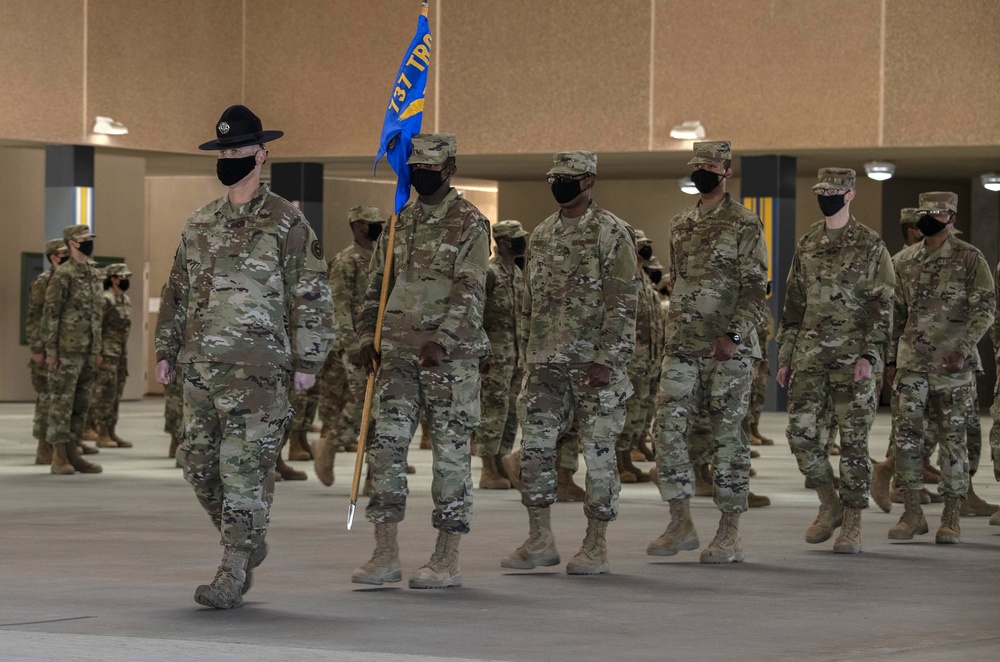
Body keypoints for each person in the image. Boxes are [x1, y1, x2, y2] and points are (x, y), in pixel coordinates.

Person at [154, 104, 334, 609]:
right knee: (196, 463)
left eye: (238, 151)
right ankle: (248, 537)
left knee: (243, 470)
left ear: (262, 155)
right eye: (224, 151)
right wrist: (166, 349)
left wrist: (308, 361)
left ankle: (233, 566)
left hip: (259, 372)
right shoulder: (199, 222)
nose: (230, 158)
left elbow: (312, 294)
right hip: (200, 370)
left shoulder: (286, 222)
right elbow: (177, 291)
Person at [351, 133, 490, 590]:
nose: (420, 173)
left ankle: (446, 556)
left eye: (430, 166)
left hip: (448, 363)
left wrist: (444, 340)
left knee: (450, 458)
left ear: (449, 168)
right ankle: (385, 551)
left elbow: (470, 291)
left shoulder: (470, 222)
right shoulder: (399, 222)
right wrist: (364, 336)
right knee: (386, 450)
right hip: (394, 359)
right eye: (415, 166)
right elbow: (375, 288)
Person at [501, 150, 637, 576]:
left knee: (598, 454)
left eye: (569, 177)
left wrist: (608, 359)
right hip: (545, 364)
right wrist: (529, 358)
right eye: (554, 177)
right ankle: (539, 536)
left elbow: (623, 303)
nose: (560, 183)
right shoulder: (541, 234)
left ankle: (595, 544)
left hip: (594, 365)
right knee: (535, 452)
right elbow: (529, 302)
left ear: (589, 180)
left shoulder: (611, 233)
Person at [647, 141, 767, 564]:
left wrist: (734, 335)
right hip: (682, 346)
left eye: (710, 166)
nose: (702, 172)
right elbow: (679, 283)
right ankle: (680, 521)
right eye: (697, 166)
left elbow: (756, 288)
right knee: (665, 431)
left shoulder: (745, 222)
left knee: (727, 438)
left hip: (728, 350)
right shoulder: (681, 223)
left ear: (727, 171)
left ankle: (729, 530)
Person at [775, 168, 894, 553]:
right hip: (809, 357)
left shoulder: (870, 244)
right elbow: (793, 305)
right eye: (820, 190)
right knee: (802, 436)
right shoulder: (808, 242)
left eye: (833, 191)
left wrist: (870, 355)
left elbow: (883, 306)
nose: (825, 196)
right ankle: (830, 502)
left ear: (850, 195)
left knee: (854, 444)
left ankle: (853, 522)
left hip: (852, 360)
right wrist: (786, 355)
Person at [887, 191, 994, 544]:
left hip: (953, 367)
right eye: (924, 211)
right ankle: (912, 512)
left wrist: (963, 349)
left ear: (951, 217)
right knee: (907, 441)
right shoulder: (903, 261)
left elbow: (985, 311)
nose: (929, 217)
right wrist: (891, 360)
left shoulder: (970, 258)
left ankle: (951, 516)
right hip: (912, 365)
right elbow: (895, 315)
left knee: (953, 443)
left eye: (937, 212)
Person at [314, 205, 386, 486]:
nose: (378, 227)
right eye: (373, 223)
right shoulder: (346, 261)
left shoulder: (381, 259)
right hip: (357, 345)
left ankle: (373, 474)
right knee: (363, 402)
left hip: (382, 343)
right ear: (358, 226)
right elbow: (338, 305)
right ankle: (331, 442)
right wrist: (351, 344)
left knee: (382, 409)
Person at [42, 224, 104, 475]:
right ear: (71, 243)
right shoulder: (63, 275)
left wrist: (97, 348)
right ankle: (58, 456)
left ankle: (73, 453)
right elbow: (51, 314)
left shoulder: (93, 272)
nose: (89, 242)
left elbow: (97, 315)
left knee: (81, 403)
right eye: (84, 239)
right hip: (67, 349)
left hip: (88, 349)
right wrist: (51, 350)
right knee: (62, 402)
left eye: (90, 238)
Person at [474, 219, 528, 490]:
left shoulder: (516, 273)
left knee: (510, 412)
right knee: (492, 411)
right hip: (494, 356)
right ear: (504, 242)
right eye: (517, 238)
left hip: (516, 356)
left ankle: (503, 461)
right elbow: (476, 316)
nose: (523, 242)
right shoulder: (490, 273)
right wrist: (481, 354)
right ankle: (487, 468)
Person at [616, 229, 655, 484]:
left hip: (645, 357)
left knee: (639, 411)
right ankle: (619, 463)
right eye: (641, 244)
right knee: (625, 411)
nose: (646, 248)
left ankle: (628, 457)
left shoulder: (643, 276)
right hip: (629, 357)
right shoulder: (625, 275)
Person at [26, 238, 69, 465]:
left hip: (64, 349)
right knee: (46, 400)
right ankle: (43, 447)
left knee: (62, 400)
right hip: (45, 349)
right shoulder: (43, 282)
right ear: (53, 257)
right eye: (63, 254)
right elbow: (34, 317)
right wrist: (37, 348)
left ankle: (63, 446)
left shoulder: (68, 279)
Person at [89, 263, 134, 449]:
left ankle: (112, 431)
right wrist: (97, 351)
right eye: (122, 277)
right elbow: (96, 326)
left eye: (126, 277)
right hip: (106, 352)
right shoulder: (105, 299)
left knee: (116, 393)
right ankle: (102, 433)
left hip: (120, 353)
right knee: (104, 393)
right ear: (113, 279)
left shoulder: (125, 300)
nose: (125, 281)